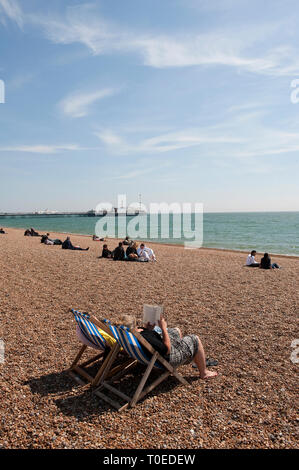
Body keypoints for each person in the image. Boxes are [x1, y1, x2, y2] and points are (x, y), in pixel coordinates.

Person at [135, 316, 217, 380]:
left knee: (176, 330)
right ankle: (204, 372)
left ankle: (184, 351)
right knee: (195, 339)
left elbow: (152, 339)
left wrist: (149, 329)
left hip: (154, 353)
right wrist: (163, 328)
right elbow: (167, 350)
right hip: (166, 359)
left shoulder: (134, 334)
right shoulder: (144, 336)